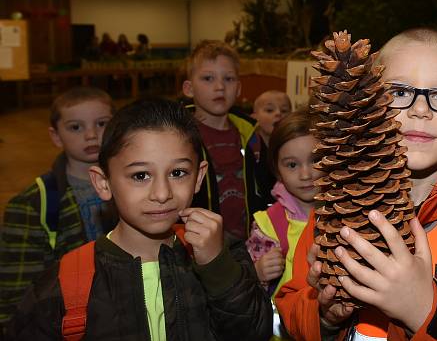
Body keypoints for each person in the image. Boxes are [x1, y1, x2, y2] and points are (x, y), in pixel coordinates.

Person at [275, 28, 437, 340]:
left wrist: (425, 311)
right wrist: (325, 317)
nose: (420, 110)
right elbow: (292, 306)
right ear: (368, 106)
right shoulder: (335, 206)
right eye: (399, 92)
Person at [6, 98, 273, 340]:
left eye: (178, 172)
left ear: (199, 178)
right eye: (140, 175)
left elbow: (254, 332)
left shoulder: (226, 255)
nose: (161, 193)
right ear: (103, 183)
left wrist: (217, 268)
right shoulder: (66, 283)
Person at [0, 87, 116, 332]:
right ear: (55, 136)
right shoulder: (34, 204)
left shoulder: (137, 186)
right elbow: (16, 291)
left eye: (102, 123)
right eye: (76, 127)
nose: (91, 135)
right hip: (65, 324)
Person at [182, 40, 272, 241]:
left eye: (229, 79)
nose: (220, 87)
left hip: (251, 239)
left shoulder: (250, 136)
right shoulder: (179, 137)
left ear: (239, 88)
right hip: (199, 242)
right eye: (208, 78)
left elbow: (268, 185)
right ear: (189, 89)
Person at [246, 109, 321, 339]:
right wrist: (258, 272)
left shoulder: (347, 214)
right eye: (292, 165)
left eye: (315, 160)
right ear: (277, 170)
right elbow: (245, 292)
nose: (306, 174)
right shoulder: (268, 224)